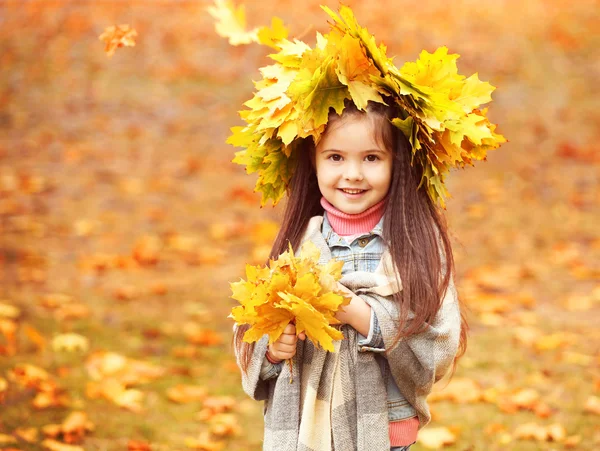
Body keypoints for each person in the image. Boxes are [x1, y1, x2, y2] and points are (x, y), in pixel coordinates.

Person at [228, 6, 504, 450]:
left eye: (371, 158)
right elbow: (253, 329)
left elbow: (438, 339)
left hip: (385, 434)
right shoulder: (300, 246)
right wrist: (273, 349)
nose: (352, 174)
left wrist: (358, 313)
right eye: (335, 157)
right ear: (312, 162)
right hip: (309, 431)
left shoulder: (413, 245)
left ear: (397, 163)